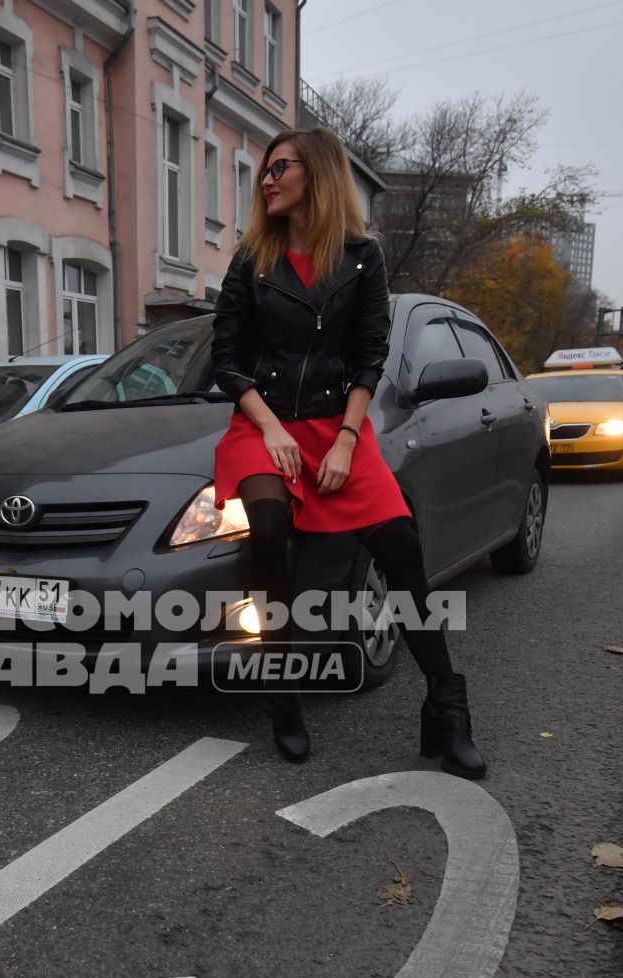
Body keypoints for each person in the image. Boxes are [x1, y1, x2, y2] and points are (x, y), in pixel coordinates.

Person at [210, 127, 486, 778]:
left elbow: (369, 356)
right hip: (261, 424)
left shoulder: (363, 257)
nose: (267, 180)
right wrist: (272, 429)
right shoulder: (251, 260)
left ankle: (447, 709)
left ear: (320, 175)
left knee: (399, 547)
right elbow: (226, 359)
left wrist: (346, 438)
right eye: (263, 171)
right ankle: (284, 690)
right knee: (269, 528)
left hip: (339, 427)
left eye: (281, 167)